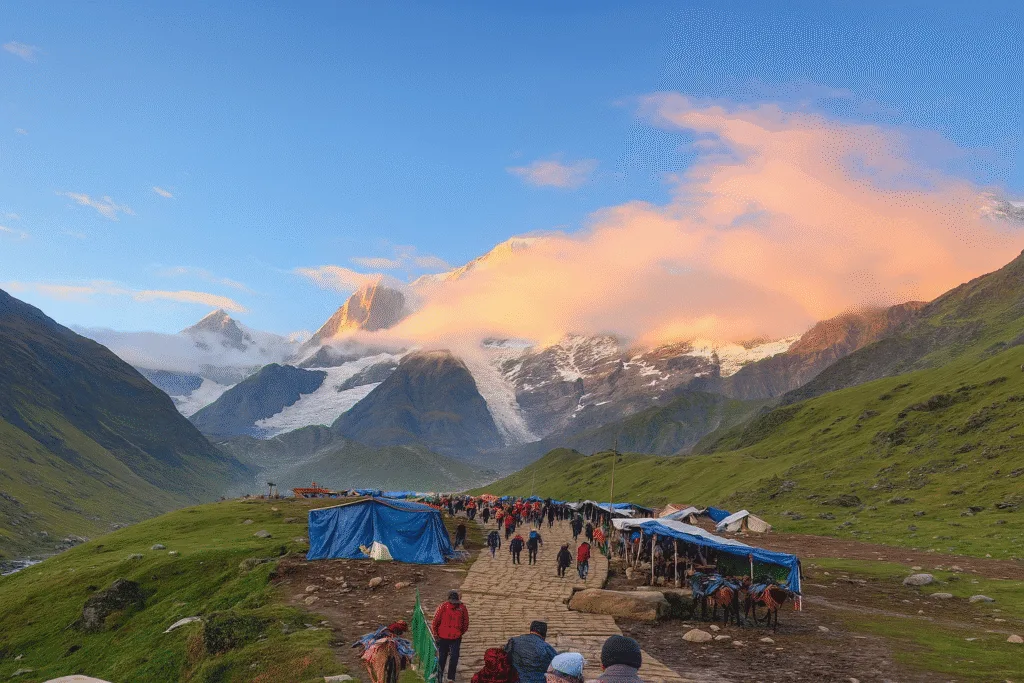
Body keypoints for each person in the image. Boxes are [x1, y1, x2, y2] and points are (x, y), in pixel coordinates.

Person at [432, 591, 470, 683]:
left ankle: (451, 677)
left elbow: (466, 623)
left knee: (454, 657)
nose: (454, 604)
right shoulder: (443, 607)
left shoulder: (462, 608)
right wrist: (435, 634)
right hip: (443, 637)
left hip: (456, 638)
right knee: (442, 657)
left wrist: (460, 633)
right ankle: (439, 676)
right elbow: (435, 621)